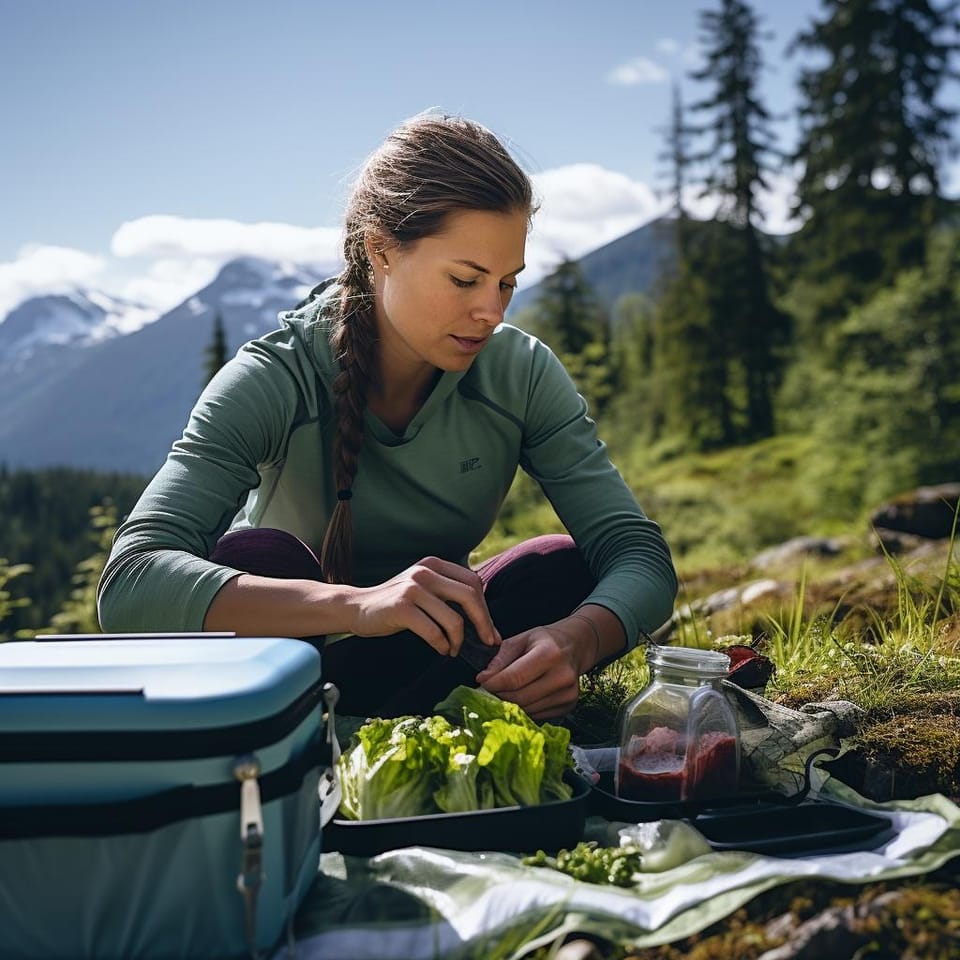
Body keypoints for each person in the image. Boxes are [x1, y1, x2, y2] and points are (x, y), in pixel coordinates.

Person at [97, 112, 678, 720]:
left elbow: (637, 553)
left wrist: (577, 640)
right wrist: (356, 605)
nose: (491, 311)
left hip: (435, 650)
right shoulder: (274, 377)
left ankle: (420, 724)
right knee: (260, 554)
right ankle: (326, 739)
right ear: (380, 249)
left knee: (560, 569)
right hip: (289, 661)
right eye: (465, 279)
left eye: (507, 283)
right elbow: (131, 580)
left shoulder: (521, 373)